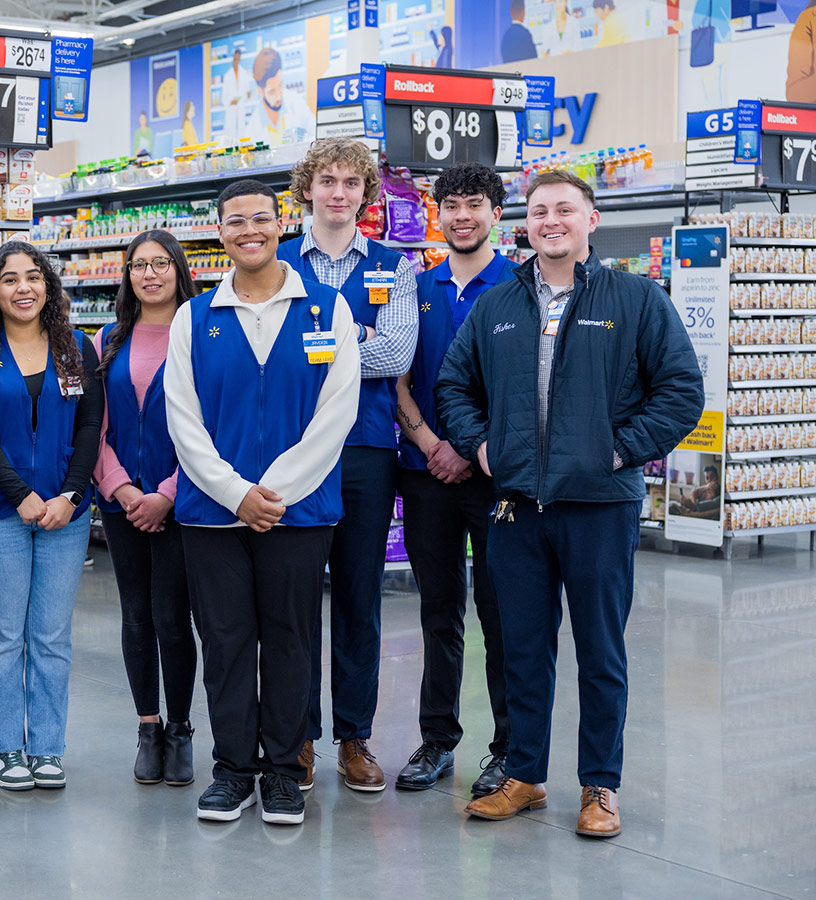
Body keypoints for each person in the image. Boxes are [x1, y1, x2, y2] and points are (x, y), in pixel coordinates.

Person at [438, 169, 703, 838]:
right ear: (523, 225)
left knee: (600, 651)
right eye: (539, 211)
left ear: (591, 219)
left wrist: (617, 452)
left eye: (564, 208)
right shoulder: (497, 305)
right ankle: (525, 775)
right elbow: (453, 386)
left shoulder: (638, 299)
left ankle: (600, 787)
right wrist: (480, 446)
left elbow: (680, 390)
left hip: (599, 507)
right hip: (517, 508)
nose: (550, 220)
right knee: (524, 647)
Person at [167, 179, 361, 825]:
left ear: (281, 223)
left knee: (289, 640)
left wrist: (270, 493)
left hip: (298, 514)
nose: (248, 230)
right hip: (211, 515)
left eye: (260, 218)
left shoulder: (327, 310)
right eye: (234, 222)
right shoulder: (194, 318)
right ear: (219, 232)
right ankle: (232, 770)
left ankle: (283, 770)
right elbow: (183, 421)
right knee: (224, 643)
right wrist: (235, 494)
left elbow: (337, 414)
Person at [277, 137, 417, 793]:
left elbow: (397, 354)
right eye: (327, 180)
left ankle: (354, 738)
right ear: (307, 188)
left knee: (361, 600)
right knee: (295, 602)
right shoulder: (273, 261)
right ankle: (298, 736)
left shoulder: (396, 266)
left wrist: (324, 340)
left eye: (351, 183)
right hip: (291, 451)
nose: (338, 193)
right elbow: (264, 356)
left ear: (367, 194)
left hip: (364, 451)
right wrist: (357, 333)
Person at [390, 163, 516, 797]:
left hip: (495, 478)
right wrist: (431, 443)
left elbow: (524, 387)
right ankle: (438, 738)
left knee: (501, 612)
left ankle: (508, 749)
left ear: (496, 212)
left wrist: (470, 450)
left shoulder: (517, 286)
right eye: (451, 205)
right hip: (423, 469)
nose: (462, 215)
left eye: (474, 204)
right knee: (439, 611)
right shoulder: (416, 285)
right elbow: (397, 375)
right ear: (437, 214)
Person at [0, 242, 102, 791]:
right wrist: (20, 493)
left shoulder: (76, 349)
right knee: (2, 635)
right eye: (10, 279)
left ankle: (46, 746)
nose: (24, 288)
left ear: (49, 286)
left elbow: (90, 426)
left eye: (34, 277)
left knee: (50, 635)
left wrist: (71, 493)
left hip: (66, 514)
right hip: (0, 512)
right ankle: (4, 746)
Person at [93, 231, 198, 787]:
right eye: (139, 265)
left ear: (180, 271)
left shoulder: (204, 332)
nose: (150, 274)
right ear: (127, 275)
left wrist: (167, 493)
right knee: (135, 615)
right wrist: (122, 489)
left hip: (182, 501)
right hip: (123, 503)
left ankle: (180, 729)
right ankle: (148, 727)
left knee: (171, 617)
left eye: (161, 264)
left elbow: (214, 430)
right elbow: (96, 428)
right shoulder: (107, 338)